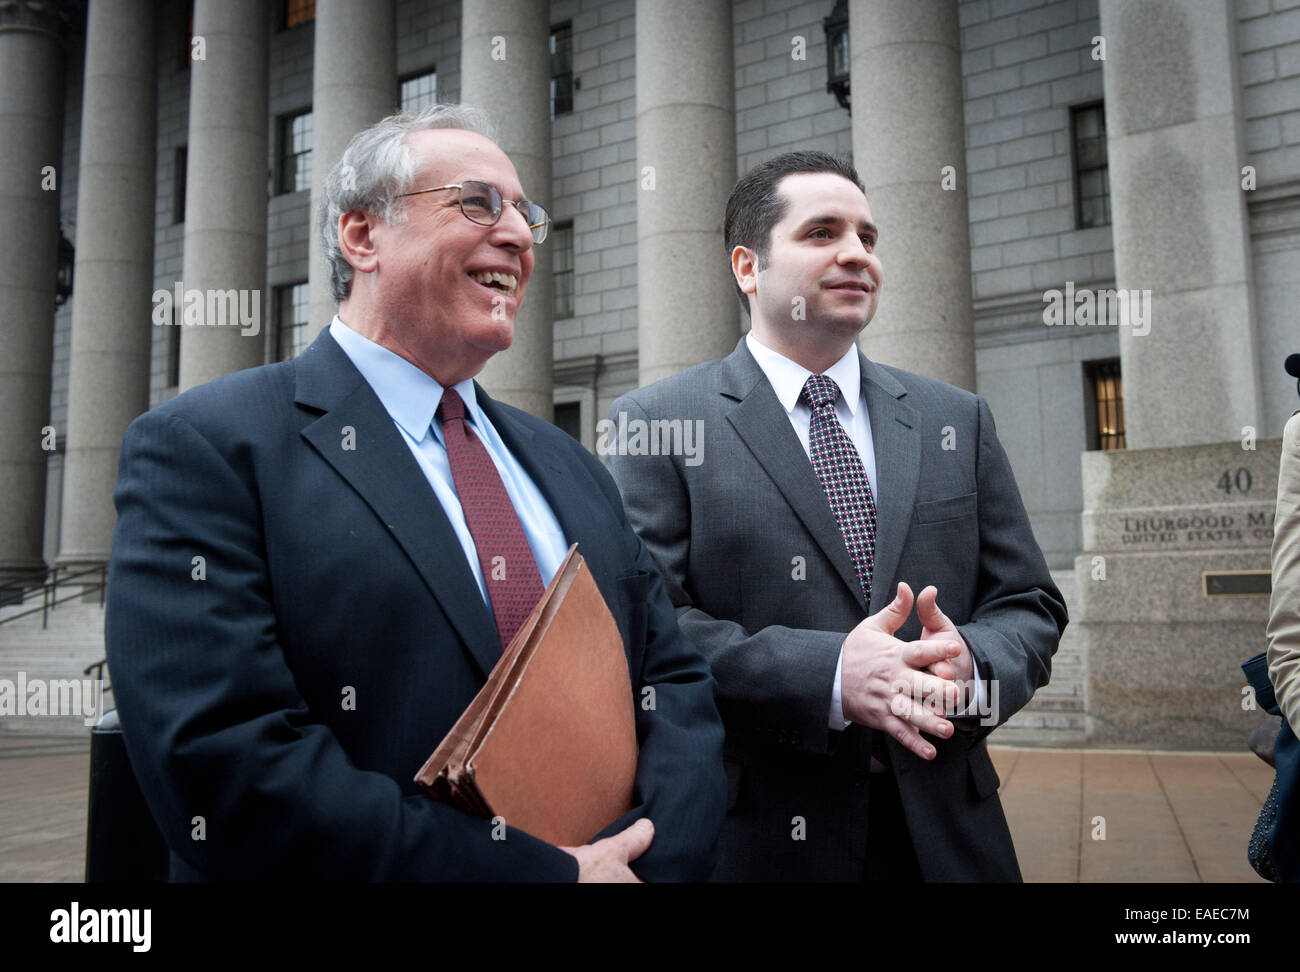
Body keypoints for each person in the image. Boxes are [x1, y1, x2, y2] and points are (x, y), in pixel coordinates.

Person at [105, 105, 726, 882]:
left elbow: (673, 681)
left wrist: (651, 860)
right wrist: (548, 878)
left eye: (527, 215)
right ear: (361, 236)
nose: (522, 237)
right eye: (478, 203)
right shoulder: (207, 448)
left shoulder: (570, 464)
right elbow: (222, 762)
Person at [606, 151, 1067, 882]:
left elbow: (1030, 603)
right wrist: (827, 676)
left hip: (948, 836)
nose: (857, 254)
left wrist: (974, 664)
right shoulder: (657, 423)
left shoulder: (957, 418)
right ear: (747, 267)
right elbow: (646, 627)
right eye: (822, 233)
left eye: (868, 237)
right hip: (761, 841)